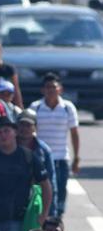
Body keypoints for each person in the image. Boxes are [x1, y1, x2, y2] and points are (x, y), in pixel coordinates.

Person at [28, 73, 79, 219]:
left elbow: (74, 133)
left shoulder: (68, 108)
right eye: (47, 87)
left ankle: (56, 220)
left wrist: (77, 158)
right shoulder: (35, 107)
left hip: (61, 157)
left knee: (60, 191)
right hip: (41, 158)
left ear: (60, 89)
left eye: (54, 87)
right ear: (42, 90)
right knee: (41, 190)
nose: (50, 90)